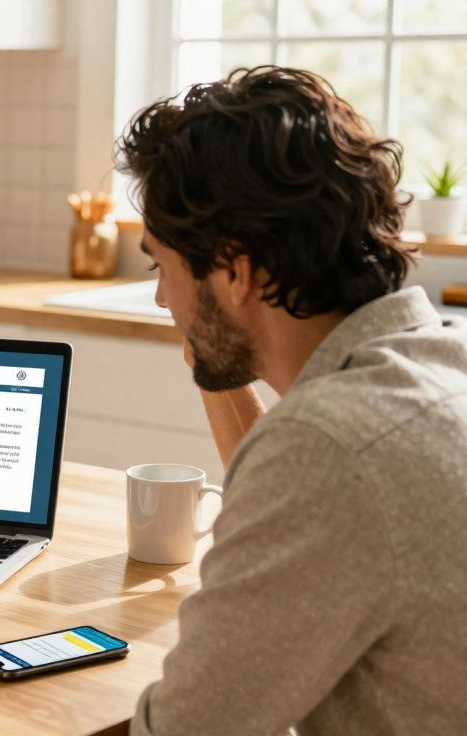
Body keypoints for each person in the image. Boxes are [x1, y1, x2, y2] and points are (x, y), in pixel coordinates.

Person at [112, 66, 467, 734]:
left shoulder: (327, 451)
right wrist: (213, 350)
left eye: (161, 266)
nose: (161, 299)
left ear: (236, 270)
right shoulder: (436, 371)